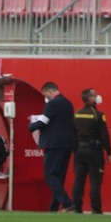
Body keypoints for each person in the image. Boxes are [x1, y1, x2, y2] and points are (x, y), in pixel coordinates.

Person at [28, 81, 77, 212]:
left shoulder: (53, 103)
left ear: (49, 92)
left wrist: (31, 126)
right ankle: (54, 206)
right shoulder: (67, 103)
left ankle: (67, 203)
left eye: (45, 94)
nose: (46, 97)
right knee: (59, 176)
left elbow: (44, 121)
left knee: (50, 175)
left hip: (54, 144)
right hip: (67, 144)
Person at [72, 88, 111, 214]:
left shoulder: (77, 113)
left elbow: (73, 133)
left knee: (79, 180)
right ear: (90, 99)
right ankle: (96, 209)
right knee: (95, 181)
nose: (97, 97)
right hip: (94, 152)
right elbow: (104, 135)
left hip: (79, 151)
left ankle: (77, 208)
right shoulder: (98, 115)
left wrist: (75, 150)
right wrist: (109, 152)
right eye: (95, 95)